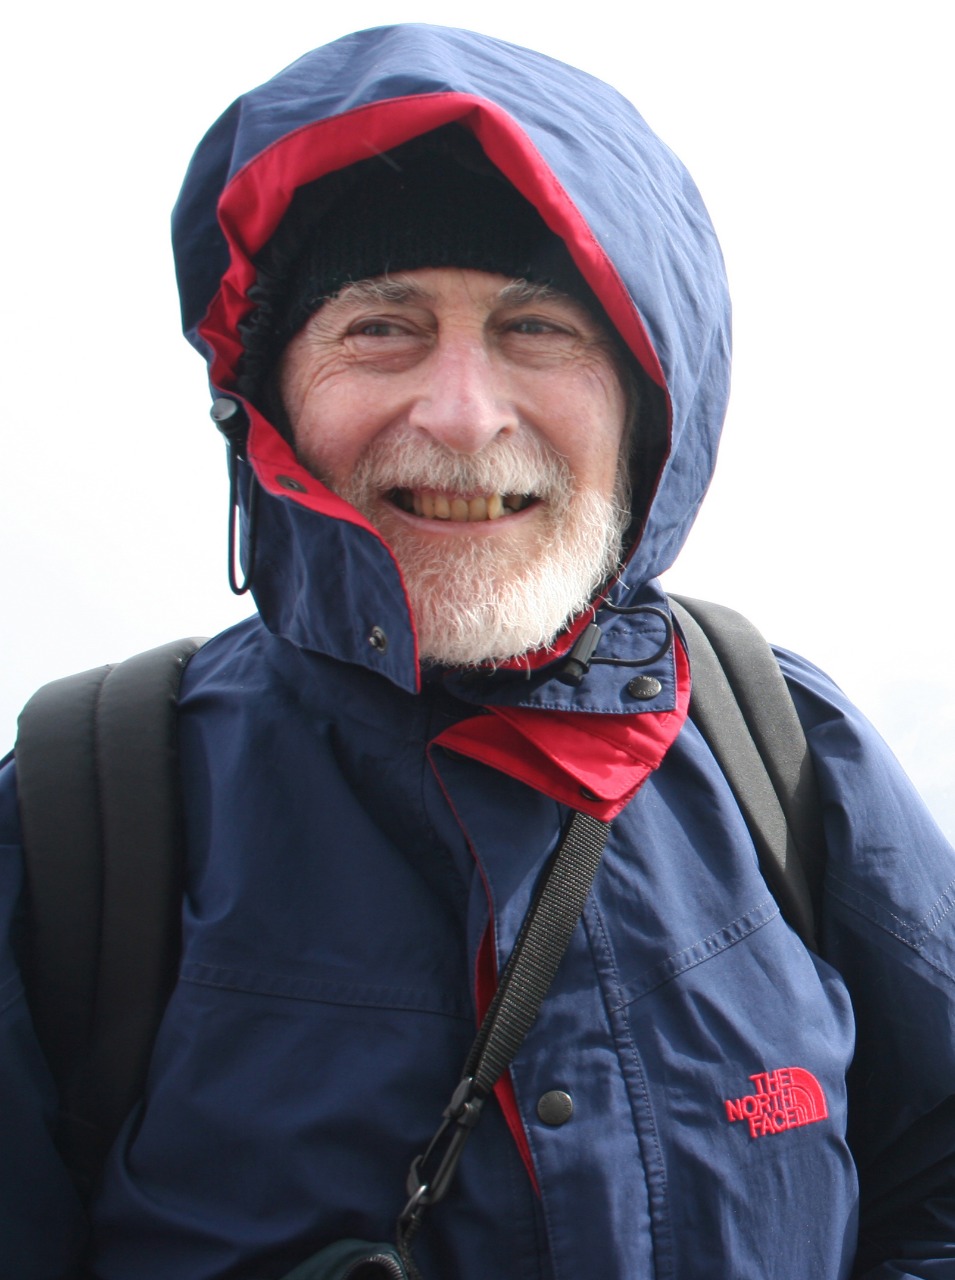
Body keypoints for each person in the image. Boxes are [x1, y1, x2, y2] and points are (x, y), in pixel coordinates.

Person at [2, 22, 954, 1280]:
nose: (461, 414)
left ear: (648, 401)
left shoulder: (781, 748)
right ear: (268, 401)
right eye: (380, 326)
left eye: (537, 328)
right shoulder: (83, 818)